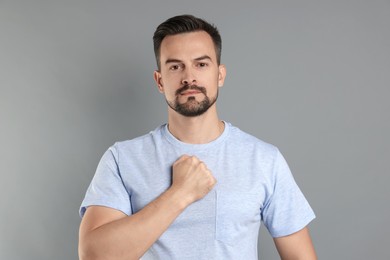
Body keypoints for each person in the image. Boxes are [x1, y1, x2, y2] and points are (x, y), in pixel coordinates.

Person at [78, 14, 317, 260]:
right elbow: (94, 255)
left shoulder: (264, 159)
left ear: (220, 75)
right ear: (160, 81)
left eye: (201, 64)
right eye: (175, 66)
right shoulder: (122, 159)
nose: (189, 77)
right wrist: (180, 194)